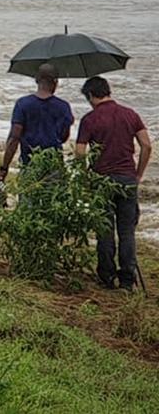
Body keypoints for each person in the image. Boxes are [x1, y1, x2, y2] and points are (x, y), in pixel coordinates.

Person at [75, 76, 152, 291]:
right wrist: (138, 175)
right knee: (127, 231)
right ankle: (128, 279)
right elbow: (146, 145)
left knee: (105, 230)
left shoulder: (90, 119)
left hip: (102, 181)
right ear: (108, 91)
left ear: (90, 95)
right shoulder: (130, 114)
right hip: (127, 179)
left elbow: (80, 152)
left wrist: (84, 177)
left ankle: (107, 276)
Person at [0, 64, 73, 184]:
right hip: (54, 166)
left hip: (29, 165)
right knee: (53, 200)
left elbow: (14, 138)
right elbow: (63, 137)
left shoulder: (23, 104)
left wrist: (4, 168)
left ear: (36, 80)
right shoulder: (63, 107)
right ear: (56, 82)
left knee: (28, 200)